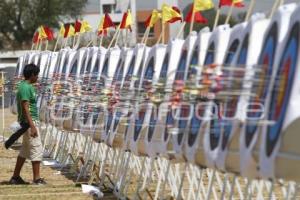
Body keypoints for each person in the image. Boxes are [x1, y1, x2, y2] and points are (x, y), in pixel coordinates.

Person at [8, 64, 46, 185]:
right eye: (37, 75)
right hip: (29, 123)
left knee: (24, 151)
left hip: (28, 123)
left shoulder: (27, 86)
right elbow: (25, 108)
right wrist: (33, 126)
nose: (37, 77)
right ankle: (37, 178)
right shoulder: (25, 87)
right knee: (36, 148)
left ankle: (15, 177)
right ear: (32, 75)